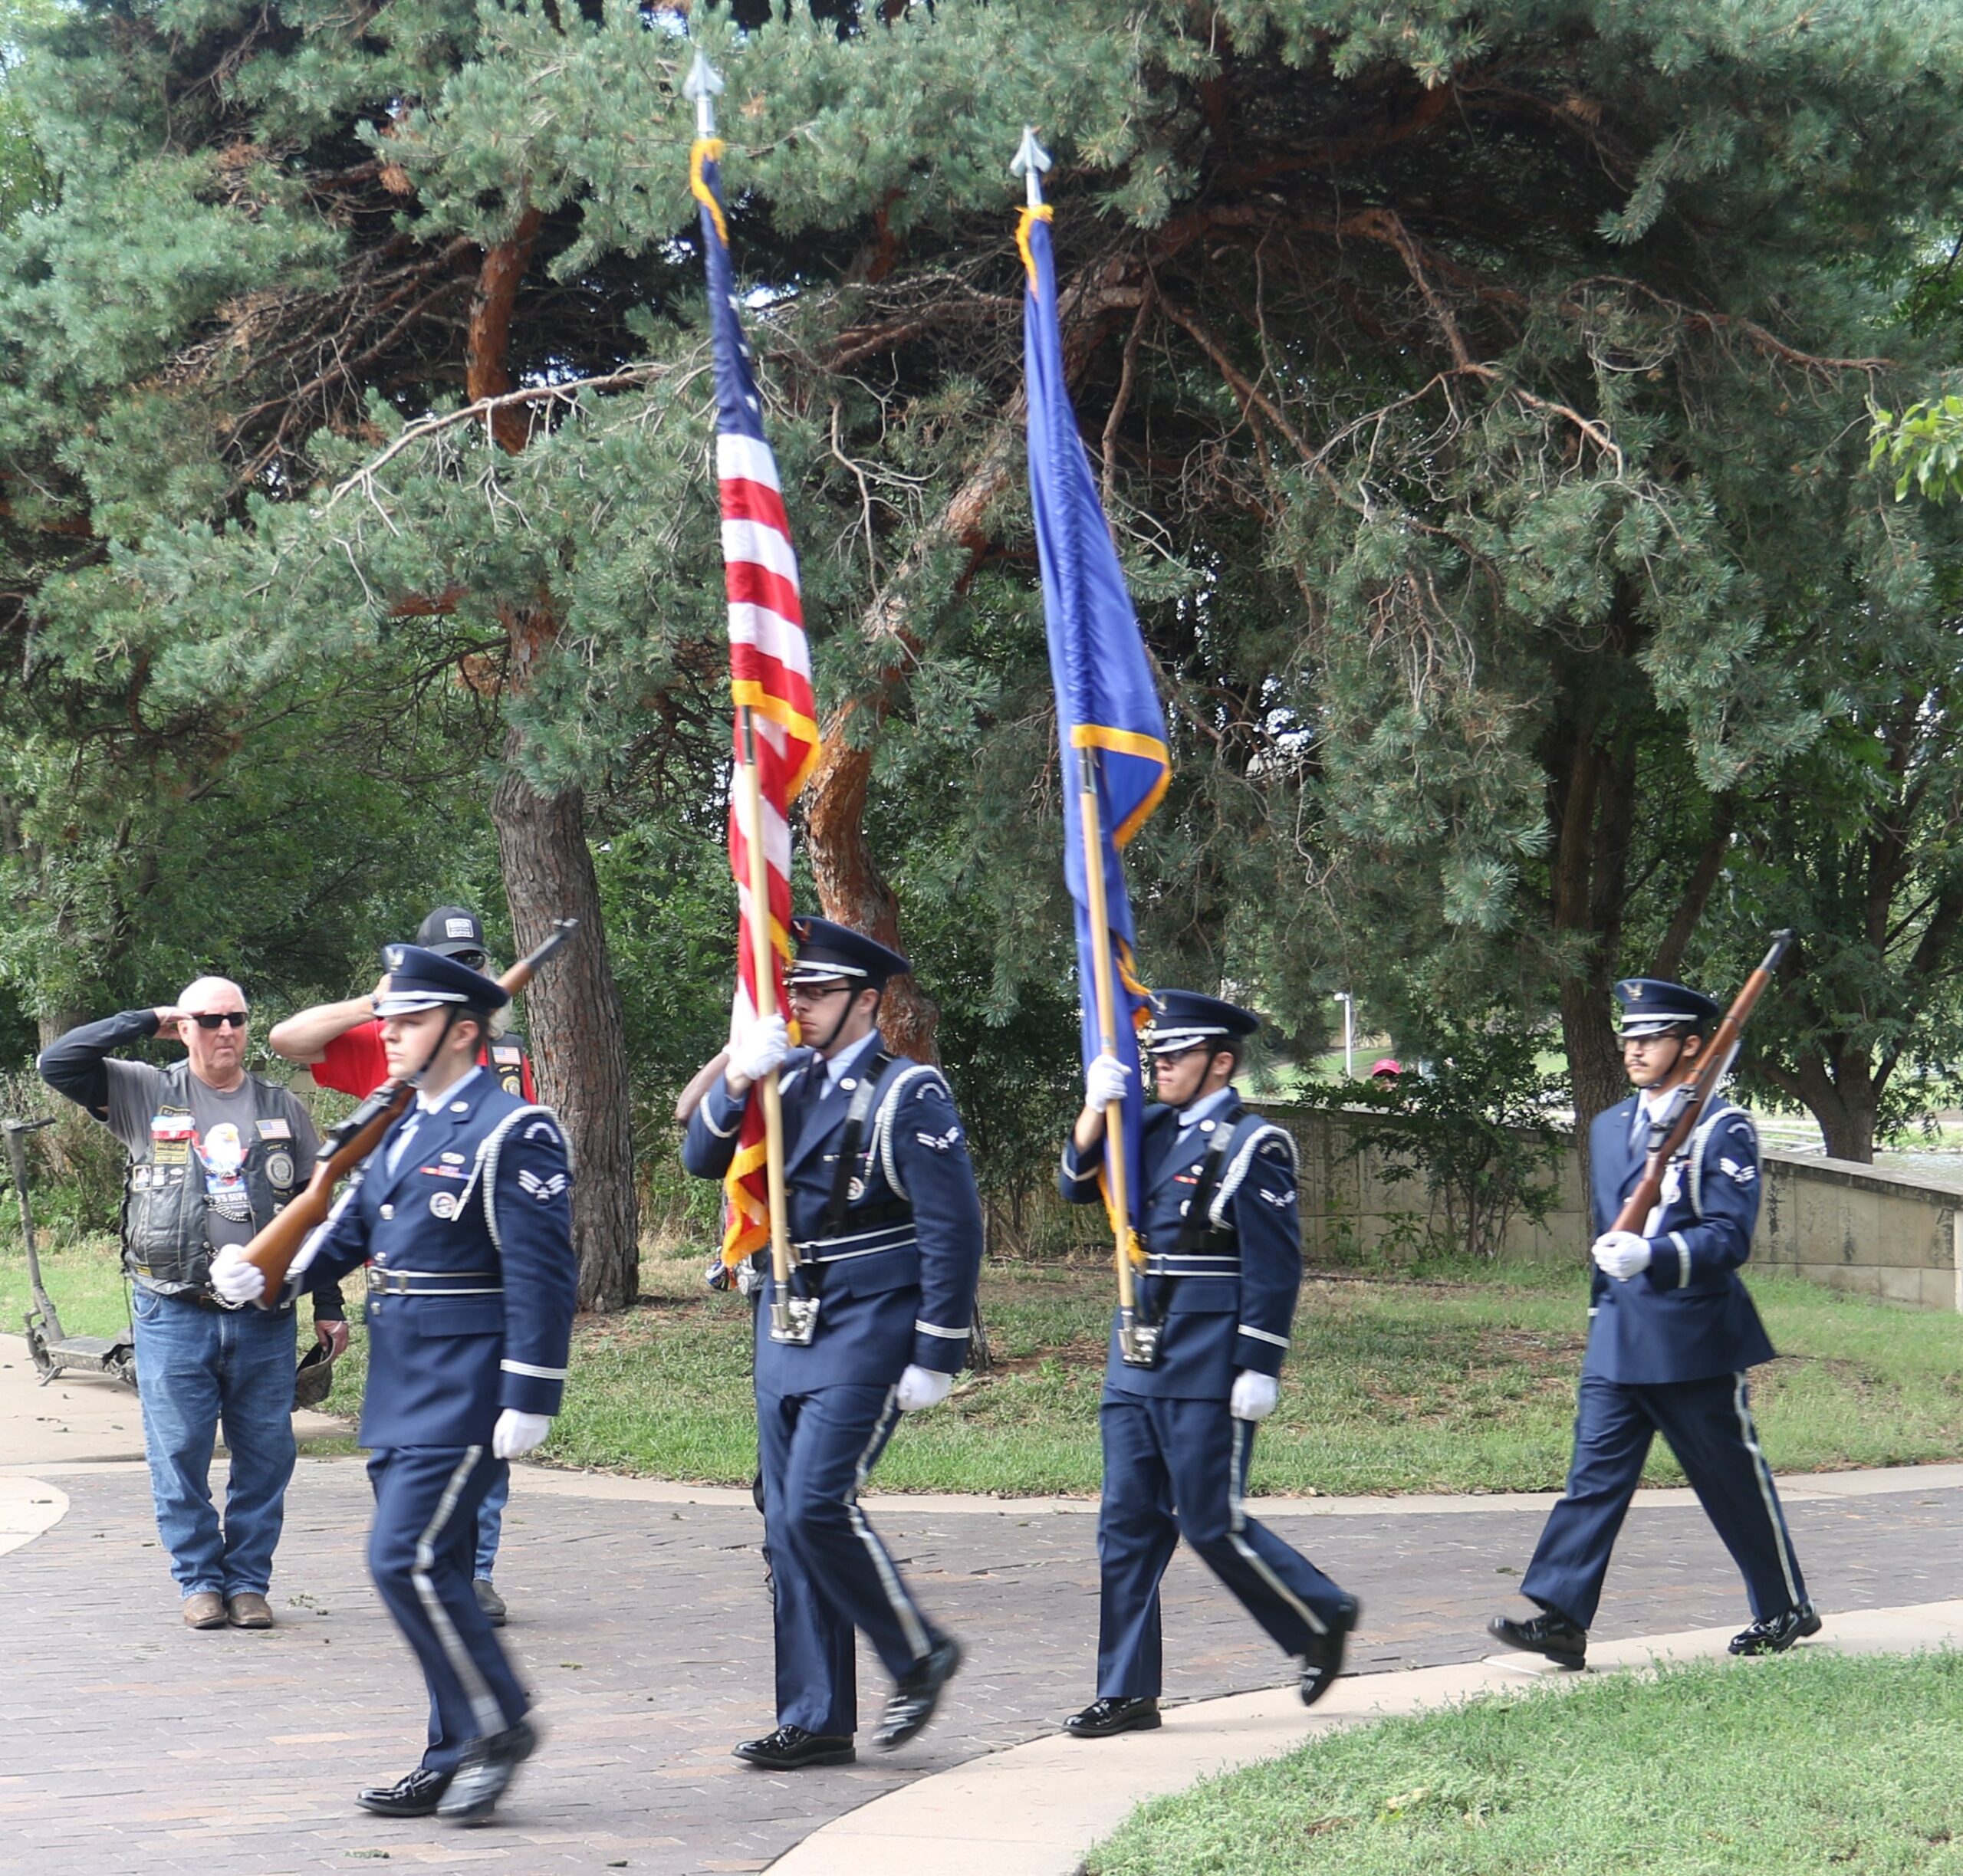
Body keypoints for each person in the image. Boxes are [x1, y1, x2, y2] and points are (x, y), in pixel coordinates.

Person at [214, 944, 576, 1825]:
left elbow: (544, 1274)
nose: (390, 1033)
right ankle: (453, 1750)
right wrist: (272, 1272)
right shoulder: (404, 1121)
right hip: (403, 1378)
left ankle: (505, 1720)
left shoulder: (513, 1127)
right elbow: (348, 1228)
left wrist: (531, 1392)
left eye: (408, 1021)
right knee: (439, 1565)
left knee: (401, 1558)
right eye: (390, 1018)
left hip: (470, 1381)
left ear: (461, 1030)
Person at [682, 916, 983, 1770]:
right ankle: (815, 1714)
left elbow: (952, 1226)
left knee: (817, 1502)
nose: (802, 1004)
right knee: (783, 1521)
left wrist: (938, 1345)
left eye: (817, 991)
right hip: (787, 1313)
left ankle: (917, 1652)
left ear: (867, 999)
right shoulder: (781, 1081)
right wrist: (737, 1076)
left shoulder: (906, 1092)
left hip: (870, 1319)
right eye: (796, 990)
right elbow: (702, 1155)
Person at [1488, 976, 1819, 1669]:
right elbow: (1614, 1227)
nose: (1634, 1048)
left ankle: (1784, 1604)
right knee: (1592, 1479)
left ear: (1692, 1045)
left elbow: (1730, 1237)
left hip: (1692, 1337)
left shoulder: (1721, 1126)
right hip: (1619, 1335)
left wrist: (1656, 1253)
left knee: (1729, 1479)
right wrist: (1597, 1299)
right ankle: (1562, 1616)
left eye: (1651, 1037)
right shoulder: (1612, 1125)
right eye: (1629, 1036)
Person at [1057, 991, 1359, 1740]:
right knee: (1124, 1523)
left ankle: (1319, 1611)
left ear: (1220, 1061)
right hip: (1136, 1348)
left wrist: (1260, 1362)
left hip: (1207, 1352)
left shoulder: (1257, 1145)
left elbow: (1273, 1266)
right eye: (1154, 1053)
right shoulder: (1146, 1127)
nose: (1157, 1064)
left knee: (1208, 1519)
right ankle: (1126, 1688)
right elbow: (1072, 1180)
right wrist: (1095, 1109)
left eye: (1174, 1054)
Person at [38, 978, 347, 1631]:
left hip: (264, 1315)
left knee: (265, 1453)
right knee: (179, 1450)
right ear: (184, 1027)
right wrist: (144, 1017)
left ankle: (249, 1582)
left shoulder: (279, 1104)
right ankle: (200, 1579)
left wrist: (328, 1298)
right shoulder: (144, 1091)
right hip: (172, 1307)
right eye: (208, 1019)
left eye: (235, 1018)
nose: (225, 1030)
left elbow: (316, 1210)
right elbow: (58, 1062)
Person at [268, 904, 531, 1627]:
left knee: (480, 1453)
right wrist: (377, 1003)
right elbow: (285, 1038)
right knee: (398, 1459)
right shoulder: (386, 1044)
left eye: (475, 962)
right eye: (452, 962)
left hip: (479, 1291)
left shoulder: (504, 1062)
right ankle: (426, 1563)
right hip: (405, 1290)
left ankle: (472, 1574)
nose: (467, 973)